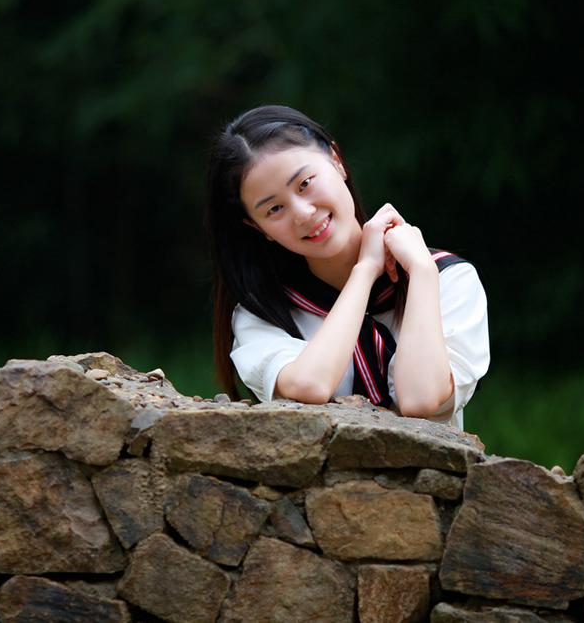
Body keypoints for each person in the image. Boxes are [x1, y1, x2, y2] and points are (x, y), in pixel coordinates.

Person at [206, 105, 490, 429]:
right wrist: (365, 271)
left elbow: (421, 400)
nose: (303, 213)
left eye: (304, 183)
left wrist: (423, 273)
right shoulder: (264, 314)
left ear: (336, 160)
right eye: (274, 209)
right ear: (259, 228)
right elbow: (310, 385)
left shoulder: (448, 279)